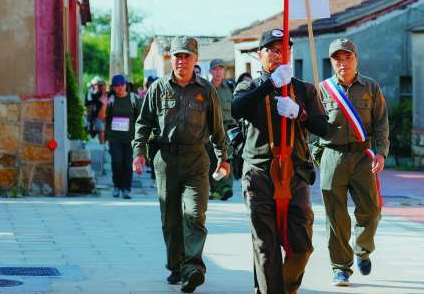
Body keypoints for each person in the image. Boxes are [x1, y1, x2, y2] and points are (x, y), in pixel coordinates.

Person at [231, 28, 331, 294]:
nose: (278, 55)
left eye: (283, 49)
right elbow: (237, 108)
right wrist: (270, 85)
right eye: (272, 50)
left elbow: (325, 128)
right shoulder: (250, 86)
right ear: (260, 54)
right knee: (266, 245)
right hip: (260, 172)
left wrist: (301, 114)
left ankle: (283, 288)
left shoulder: (303, 88)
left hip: (295, 172)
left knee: (302, 245)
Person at [132, 36, 229, 293]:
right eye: (177, 56)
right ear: (170, 58)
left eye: (187, 56)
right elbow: (143, 123)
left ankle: (193, 268)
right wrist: (139, 152)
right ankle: (176, 266)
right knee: (171, 219)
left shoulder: (206, 90)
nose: (181, 60)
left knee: (195, 214)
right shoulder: (158, 88)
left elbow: (217, 129)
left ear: (195, 60)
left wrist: (224, 158)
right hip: (165, 161)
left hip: (197, 159)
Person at [315, 38, 389, 287]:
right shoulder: (322, 89)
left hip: (361, 156)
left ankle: (362, 248)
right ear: (331, 62)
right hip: (332, 156)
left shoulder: (371, 87)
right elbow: (311, 127)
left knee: (371, 210)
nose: (342, 63)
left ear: (356, 58)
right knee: (335, 216)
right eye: (337, 58)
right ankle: (341, 268)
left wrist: (381, 153)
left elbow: (381, 123)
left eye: (347, 57)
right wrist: (318, 155)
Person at [206, 59, 236, 201]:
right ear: (211, 71)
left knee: (227, 158)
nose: (218, 72)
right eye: (215, 69)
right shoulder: (206, 88)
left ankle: (226, 187)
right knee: (212, 159)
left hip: (227, 129)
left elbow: (236, 108)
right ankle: (215, 189)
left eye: (220, 69)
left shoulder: (230, 87)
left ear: (224, 71)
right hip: (210, 129)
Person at [106, 74, 140, 199]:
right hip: (114, 138)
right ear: (113, 88)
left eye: (122, 85)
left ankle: (126, 188)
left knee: (127, 163)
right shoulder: (111, 100)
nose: (119, 88)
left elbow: (140, 118)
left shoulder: (133, 99)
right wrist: (104, 104)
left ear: (126, 85)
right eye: (116, 86)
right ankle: (116, 186)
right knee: (117, 162)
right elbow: (104, 118)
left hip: (130, 138)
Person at [86, 78, 109, 144]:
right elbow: (89, 105)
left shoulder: (108, 94)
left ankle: (104, 145)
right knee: (101, 131)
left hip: (108, 116)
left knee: (105, 132)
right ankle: (103, 145)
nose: (100, 87)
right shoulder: (93, 95)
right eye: (98, 85)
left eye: (101, 85)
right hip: (97, 117)